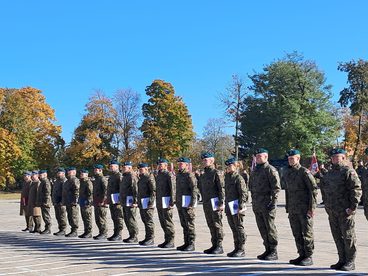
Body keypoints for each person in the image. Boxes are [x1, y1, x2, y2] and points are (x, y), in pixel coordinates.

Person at [320, 148, 361, 271]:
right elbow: (324, 188)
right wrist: (327, 205)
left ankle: (350, 261)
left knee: (348, 236)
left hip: (345, 210)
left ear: (343, 157)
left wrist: (353, 207)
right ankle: (342, 259)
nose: (334, 159)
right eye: (332, 157)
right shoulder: (330, 173)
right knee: (337, 236)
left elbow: (356, 189)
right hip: (333, 211)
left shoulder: (348, 171)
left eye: (337, 157)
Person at [283, 149, 317, 266]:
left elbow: (313, 191)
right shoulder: (288, 172)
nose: (290, 161)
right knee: (296, 233)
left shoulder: (304, 172)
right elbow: (288, 191)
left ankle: (308, 256)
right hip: (293, 209)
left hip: (304, 208)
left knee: (307, 233)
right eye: (289, 159)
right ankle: (301, 254)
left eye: (292, 158)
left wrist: (311, 208)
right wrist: (288, 207)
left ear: (298, 159)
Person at [249, 148, 281, 261]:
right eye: (256, 156)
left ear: (266, 157)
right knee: (262, 228)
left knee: (270, 228)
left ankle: (273, 251)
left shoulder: (270, 170)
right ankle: (267, 249)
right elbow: (251, 187)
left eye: (260, 156)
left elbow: (276, 188)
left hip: (267, 204)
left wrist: (273, 202)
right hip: (257, 204)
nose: (257, 158)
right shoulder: (255, 171)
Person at [198, 152, 225, 255]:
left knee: (217, 224)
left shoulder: (216, 173)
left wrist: (221, 202)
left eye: (206, 160)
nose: (204, 162)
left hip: (215, 202)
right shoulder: (204, 174)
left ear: (212, 160)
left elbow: (221, 188)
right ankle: (214, 244)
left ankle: (219, 245)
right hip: (206, 202)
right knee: (210, 224)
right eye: (203, 160)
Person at [224, 157, 248, 257]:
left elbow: (243, 193)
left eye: (230, 166)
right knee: (233, 227)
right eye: (228, 166)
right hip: (229, 205)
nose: (228, 168)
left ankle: (241, 249)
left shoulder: (238, 178)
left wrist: (240, 206)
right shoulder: (228, 177)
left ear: (235, 166)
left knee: (239, 227)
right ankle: (236, 247)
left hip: (236, 205)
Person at [175, 157, 198, 252]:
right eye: (179, 163)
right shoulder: (179, 175)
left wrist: (192, 203)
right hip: (181, 203)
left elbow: (194, 189)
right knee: (184, 224)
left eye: (182, 164)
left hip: (188, 203)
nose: (180, 165)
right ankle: (186, 242)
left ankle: (191, 243)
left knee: (189, 224)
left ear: (187, 165)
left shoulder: (189, 175)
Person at [155, 158, 176, 248]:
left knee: (168, 221)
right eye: (159, 164)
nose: (159, 166)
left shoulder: (168, 175)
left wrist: (172, 201)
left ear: (166, 165)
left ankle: (171, 240)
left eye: (161, 164)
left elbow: (173, 189)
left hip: (167, 201)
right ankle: (166, 239)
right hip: (160, 201)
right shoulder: (159, 175)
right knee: (162, 221)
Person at [137, 163, 156, 246]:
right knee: (144, 220)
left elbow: (153, 190)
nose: (140, 170)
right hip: (142, 201)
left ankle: (151, 238)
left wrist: (151, 202)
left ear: (146, 169)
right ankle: (147, 237)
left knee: (149, 221)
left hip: (148, 202)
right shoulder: (141, 178)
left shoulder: (149, 177)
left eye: (142, 169)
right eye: (140, 169)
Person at [120, 161, 139, 243]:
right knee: (127, 219)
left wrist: (135, 201)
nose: (123, 169)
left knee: (131, 219)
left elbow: (135, 189)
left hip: (130, 201)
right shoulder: (125, 176)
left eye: (125, 167)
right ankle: (131, 235)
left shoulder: (132, 176)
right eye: (123, 167)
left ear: (130, 168)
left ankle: (134, 236)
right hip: (125, 201)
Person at [106, 160, 124, 241]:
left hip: (117, 200)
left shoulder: (119, 176)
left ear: (117, 167)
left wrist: (120, 199)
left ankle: (119, 234)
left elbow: (121, 188)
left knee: (118, 217)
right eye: (110, 166)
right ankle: (115, 232)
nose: (110, 167)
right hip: (112, 199)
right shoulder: (111, 176)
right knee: (114, 217)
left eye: (112, 166)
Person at [92, 164, 109, 240]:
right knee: (97, 219)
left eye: (96, 170)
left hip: (101, 202)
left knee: (102, 218)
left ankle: (104, 233)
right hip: (96, 201)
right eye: (95, 170)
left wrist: (103, 201)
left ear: (100, 170)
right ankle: (101, 232)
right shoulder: (97, 179)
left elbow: (106, 191)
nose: (95, 171)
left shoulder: (102, 179)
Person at [63, 167, 80, 237]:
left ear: (74, 172)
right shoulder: (67, 181)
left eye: (69, 171)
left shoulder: (75, 180)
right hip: (68, 201)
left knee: (73, 216)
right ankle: (72, 230)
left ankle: (75, 230)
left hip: (72, 201)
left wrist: (75, 200)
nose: (68, 173)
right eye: (68, 172)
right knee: (70, 216)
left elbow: (77, 190)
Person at [52, 168, 68, 236]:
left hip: (62, 202)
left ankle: (63, 230)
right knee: (58, 216)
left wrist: (62, 201)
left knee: (62, 216)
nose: (58, 174)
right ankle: (60, 229)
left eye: (59, 173)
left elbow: (65, 193)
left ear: (63, 173)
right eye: (58, 173)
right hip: (56, 201)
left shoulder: (64, 181)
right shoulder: (57, 181)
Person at [78, 169, 93, 238]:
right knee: (84, 217)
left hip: (86, 202)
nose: (81, 175)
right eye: (80, 174)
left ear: (86, 175)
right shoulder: (82, 182)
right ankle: (86, 231)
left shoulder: (88, 182)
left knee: (87, 217)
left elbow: (90, 193)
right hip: (82, 201)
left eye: (82, 174)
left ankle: (89, 232)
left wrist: (89, 201)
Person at [38, 170, 52, 234]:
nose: (39, 176)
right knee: (44, 215)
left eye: (41, 175)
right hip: (42, 201)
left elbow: (47, 192)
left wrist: (46, 201)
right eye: (39, 175)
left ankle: (48, 229)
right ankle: (47, 228)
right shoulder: (42, 182)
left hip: (46, 201)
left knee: (46, 215)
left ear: (45, 175)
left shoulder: (46, 182)